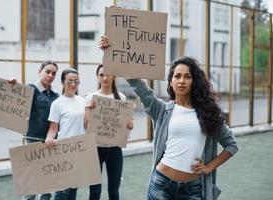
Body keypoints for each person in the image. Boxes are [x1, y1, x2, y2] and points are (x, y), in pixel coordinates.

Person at [99, 37, 238, 200]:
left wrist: (209, 167)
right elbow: (138, 85)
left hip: (193, 189)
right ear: (170, 82)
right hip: (161, 184)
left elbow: (231, 145)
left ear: (195, 81)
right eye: (177, 76)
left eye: (187, 76)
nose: (182, 81)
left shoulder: (208, 113)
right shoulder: (161, 109)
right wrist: (110, 52)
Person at [85, 64, 133, 200]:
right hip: (95, 149)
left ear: (114, 76)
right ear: (97, 77)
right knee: (94, 192)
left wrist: (129, 126)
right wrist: (90, 110)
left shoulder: (121, 97)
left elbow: (125, 124)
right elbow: (85, 126)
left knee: (114, 191)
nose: (105, 78)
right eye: (101, 75)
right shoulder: (91, 97)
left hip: (115, 149)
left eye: (108, 74)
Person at [15, 60, 58, 200]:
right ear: (39, 72)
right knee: (31, 182)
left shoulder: (56, 96)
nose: (50, 75)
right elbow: (14, 97)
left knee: (47, 183)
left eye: (54, 73)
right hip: (32, 141)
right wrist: (11, 85)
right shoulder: (30, 89)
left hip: (51, 143)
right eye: (48, 71)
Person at [45, 68, 87, 200]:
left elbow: (86, 125)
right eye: (70, 82)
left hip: (79, 150)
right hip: (63, 151)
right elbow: (53, 128)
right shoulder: (57, 104)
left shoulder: (82, 101)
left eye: (76, 82)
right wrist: (48, 138)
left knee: (73, 188)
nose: (73, 85)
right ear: (63, 82)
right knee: (61, 190)